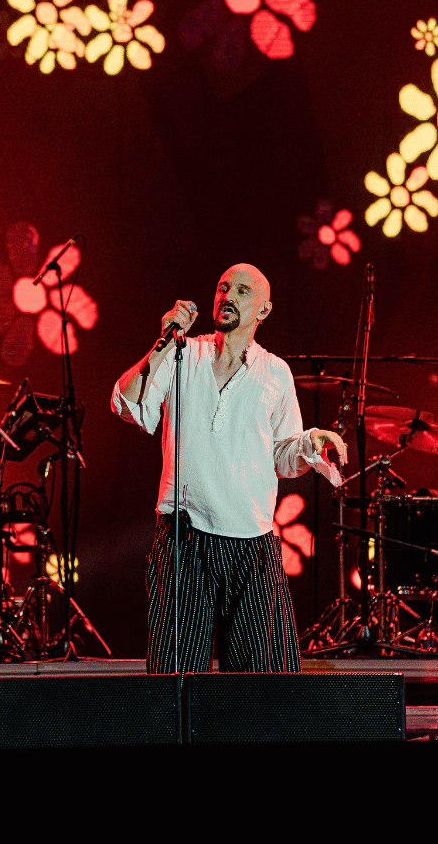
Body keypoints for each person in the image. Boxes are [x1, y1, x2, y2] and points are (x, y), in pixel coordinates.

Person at [112, 263, 347, 674]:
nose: (227, 296)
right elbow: (126, 405)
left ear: (263, 310)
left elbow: (281, 456)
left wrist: (311, 442)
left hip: (251, 539)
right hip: (184, 535)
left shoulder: (274, 372)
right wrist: (164, 341)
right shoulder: (184, 354)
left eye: (241, 290)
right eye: (222, 288)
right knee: (176, 678)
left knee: (262, 682)